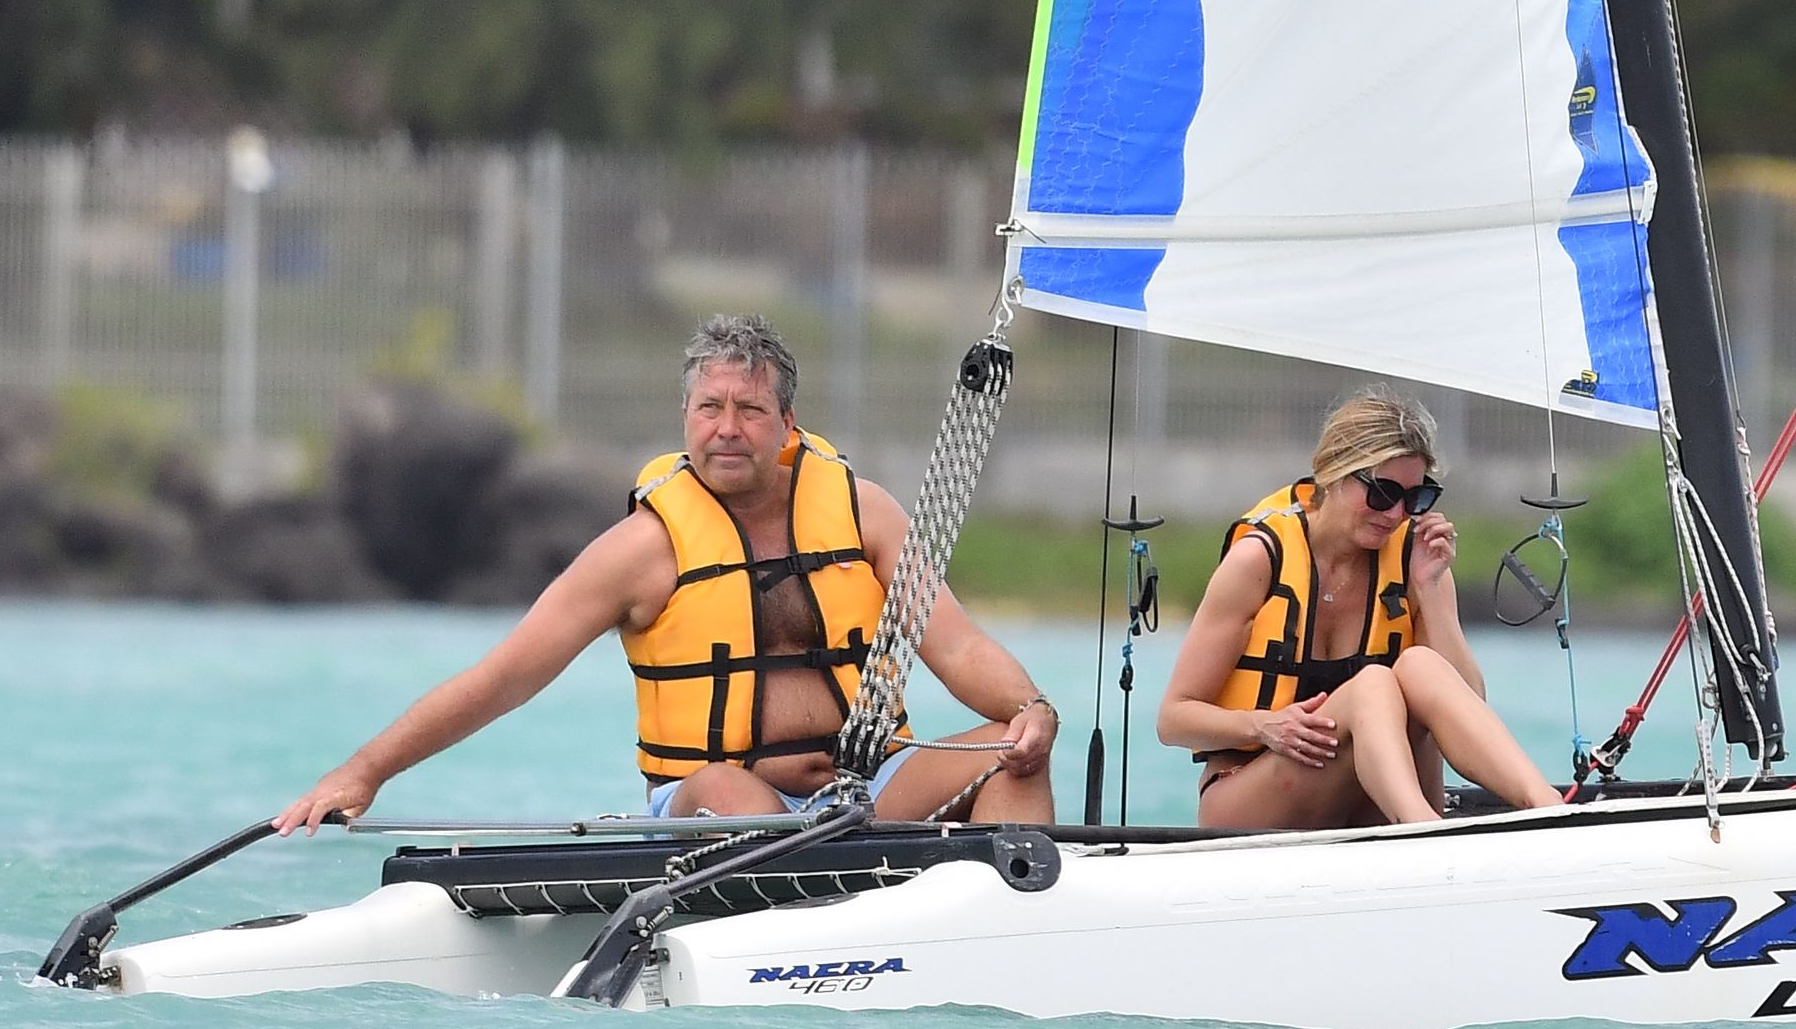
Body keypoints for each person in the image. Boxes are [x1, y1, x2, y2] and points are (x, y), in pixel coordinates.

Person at [275, 314, 1057, 836]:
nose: (727, 428)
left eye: (750, 410)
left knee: (1011, 750)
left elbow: (958, 646)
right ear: (685, 417)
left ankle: (1019, 939)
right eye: (709, 407)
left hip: (869, 790)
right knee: (730, 792)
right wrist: (366, 770)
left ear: (787, 425)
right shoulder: (641, 550)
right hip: (719, 805)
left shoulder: (865, 513)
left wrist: (1029, 709)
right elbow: (503, 677)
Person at [1156, 387, 1561, 830]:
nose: (1395, 513)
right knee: (1373, 683)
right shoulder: (1259, 560)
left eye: (1416, 498)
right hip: (1254, 793)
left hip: (1368, 801)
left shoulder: (1416, 561)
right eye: (1382, 492)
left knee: (1421, 665)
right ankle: (1419, 827)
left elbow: (1468, 702)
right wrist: (1263, 725)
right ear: (1333, 474)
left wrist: (1429, 589)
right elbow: (1174, 719)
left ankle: (1547, 805)